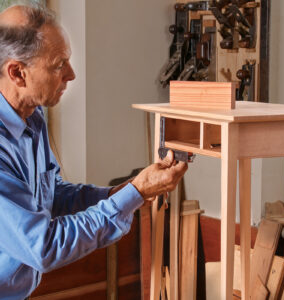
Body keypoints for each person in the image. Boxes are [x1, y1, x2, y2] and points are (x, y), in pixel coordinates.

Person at [0, 3, 188, 299]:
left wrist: (127, 192)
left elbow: (52, 196)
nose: (71, 74)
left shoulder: (33, 119)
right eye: (58, 64)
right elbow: (43, 246)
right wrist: (134, 194)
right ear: (17, 73)